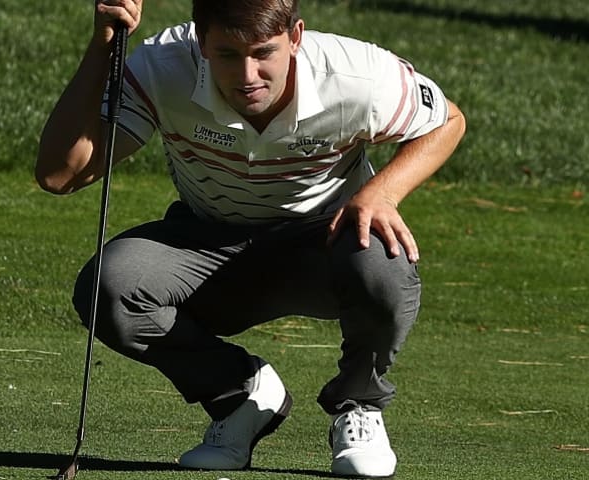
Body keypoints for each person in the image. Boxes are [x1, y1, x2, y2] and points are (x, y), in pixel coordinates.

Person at [35, 0, 465, 477]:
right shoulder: (162, 66)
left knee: (384, 257)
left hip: (323, 244)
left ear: (296, 36)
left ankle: (359, 405)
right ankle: (240, 397)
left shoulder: (355, 75)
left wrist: (382, 193)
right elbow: (61, 174)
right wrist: (105, 44)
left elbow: (447, 121)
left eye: (264, 52)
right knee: (109, 288)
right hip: (207, 242)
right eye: (226, 55)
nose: (247, 75)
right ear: (200, 42)